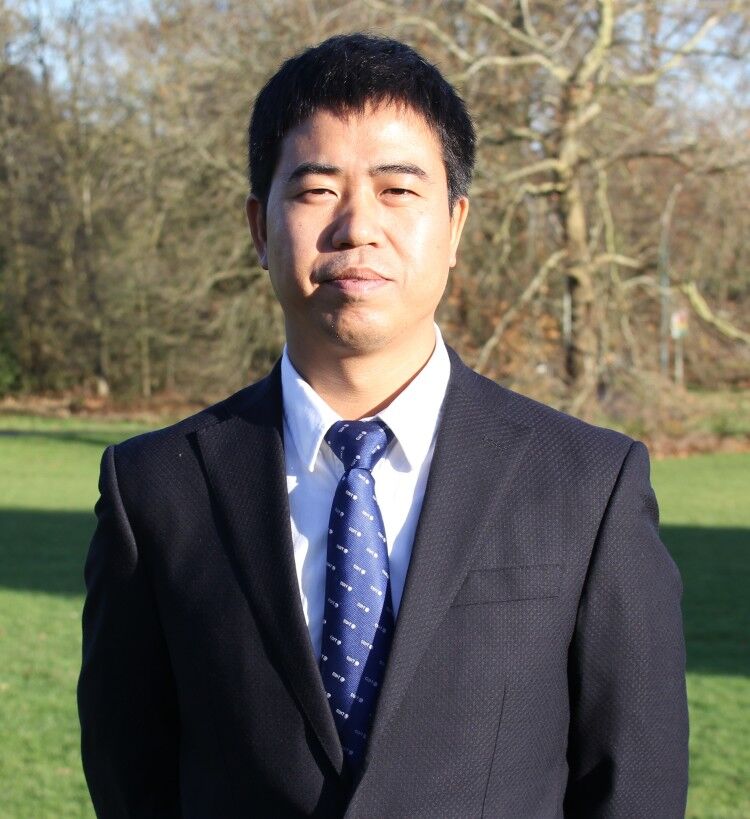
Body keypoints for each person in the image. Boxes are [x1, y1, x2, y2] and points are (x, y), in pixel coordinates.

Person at [78, 33, 689, 818]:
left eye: (398, 188)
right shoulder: (155, 491)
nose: (357, 226)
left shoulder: (588, 484)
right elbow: (131, 775)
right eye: (316, 189)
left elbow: (635, 784)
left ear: (456, 224)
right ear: (259, 227)